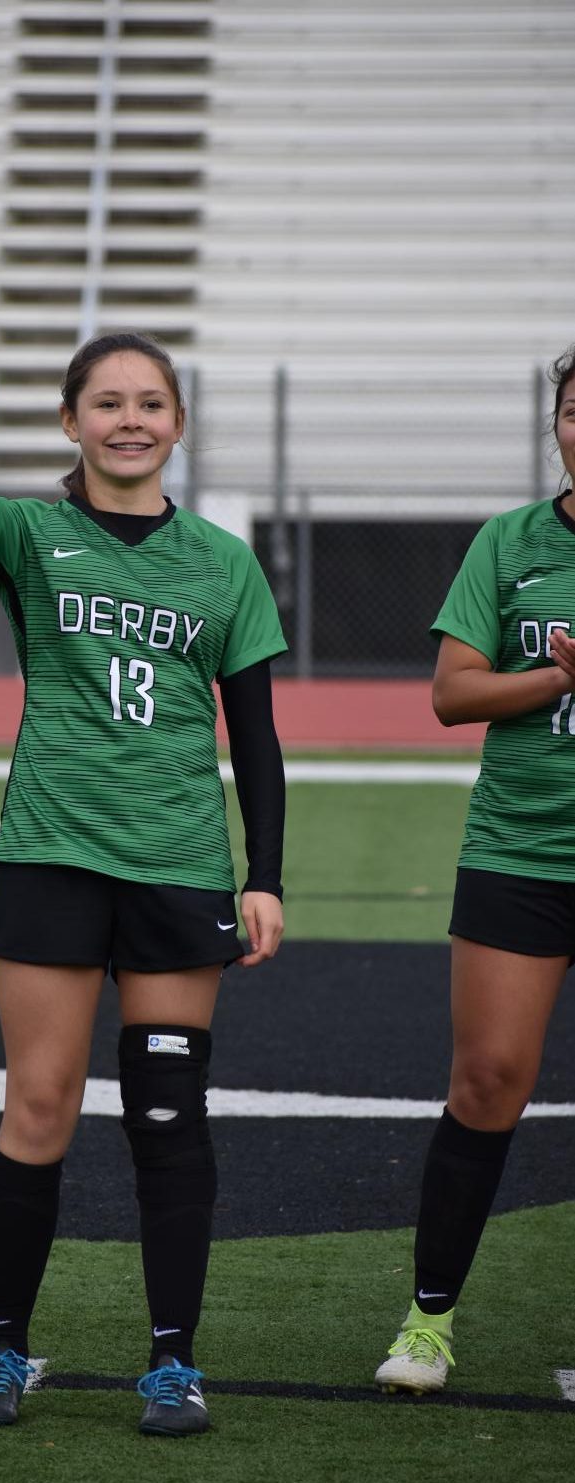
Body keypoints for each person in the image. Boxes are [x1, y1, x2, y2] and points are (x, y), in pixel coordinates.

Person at [0, 254, 287, 1436]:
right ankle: (2, 1349)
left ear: (176, 424)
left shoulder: (221, 562)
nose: (128, 420)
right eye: (104, 402)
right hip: (53, 860)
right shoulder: (27, 534)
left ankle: (173, 1361)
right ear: (70, 421)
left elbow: (254, 738)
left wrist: (263, 875)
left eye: (148, 403)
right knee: (40, 1105)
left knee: (167, 1113)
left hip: (175, 868)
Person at [375, 345, 575, 1394]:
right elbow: (451, 694)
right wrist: (551, 673)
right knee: (486, 1078)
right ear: (555, 424)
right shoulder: (510, 542)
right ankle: (427, 1321)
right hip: (520, 849)